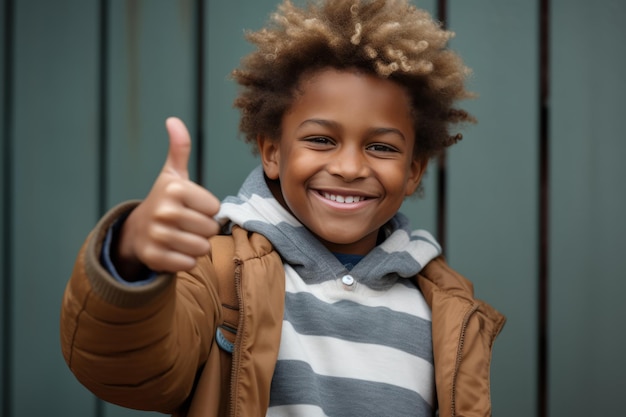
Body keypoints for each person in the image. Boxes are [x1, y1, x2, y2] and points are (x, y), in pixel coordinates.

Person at [60, 1, 505, 416]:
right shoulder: (217, 276)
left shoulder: (445, 310)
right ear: (272, 151)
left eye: (380, 147)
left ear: (413, 171)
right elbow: (129, 371)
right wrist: (131, 255)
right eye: (320, 139)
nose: (349, 167)